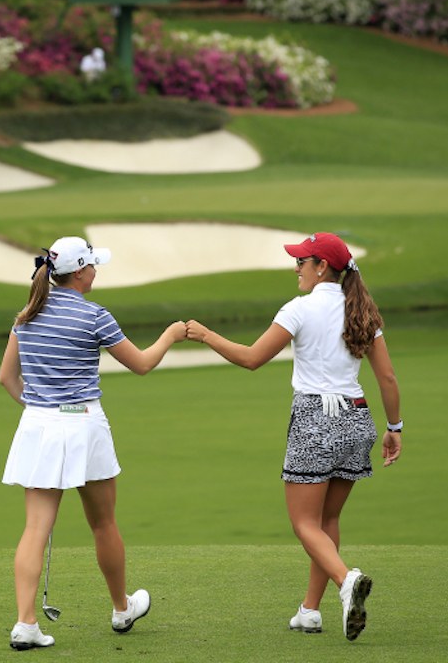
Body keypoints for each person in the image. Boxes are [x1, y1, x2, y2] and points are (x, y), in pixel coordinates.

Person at [184, 232, 402, 642]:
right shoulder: (364, 311)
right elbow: (387, 377)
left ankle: (345, 579)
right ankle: (310, 611)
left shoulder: (299, 309)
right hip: (357, 419)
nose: (296, 267)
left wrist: (205, 335)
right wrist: (394, 428)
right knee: (327, 520)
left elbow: (252, 359)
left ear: (322, 267)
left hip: (315, 419)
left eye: (302, 261)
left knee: (304, 523)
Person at [0, 236, 187, 651]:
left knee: (35, 528)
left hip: (39, 426)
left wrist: (39, 410)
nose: (96, 271)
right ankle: (121, 610)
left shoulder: (26, 314)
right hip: (84, 425)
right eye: (93, 266)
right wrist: (171, 335)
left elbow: (7, 380)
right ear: (80, 271)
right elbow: (141, 364)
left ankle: (25, 623)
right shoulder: (95, 316)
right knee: (103, 523)